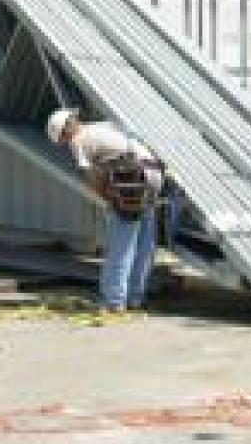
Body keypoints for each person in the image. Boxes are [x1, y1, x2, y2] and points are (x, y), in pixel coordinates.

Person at [47, 108, 165, 312]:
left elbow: (91, 177)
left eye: (62, 140)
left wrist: (109, 199)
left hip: (132, 181)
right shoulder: (101, 126)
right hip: (154, 174)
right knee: (145, 245)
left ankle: (114, 301)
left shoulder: (79, 140)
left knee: (121, 245)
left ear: (65, 131)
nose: (65, 144)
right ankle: (135, 298)